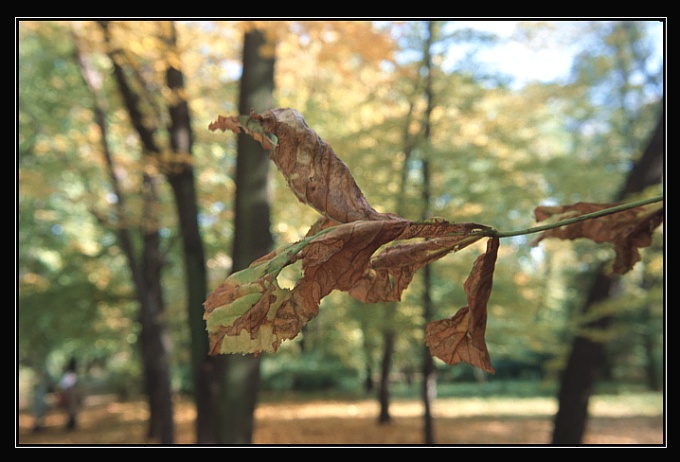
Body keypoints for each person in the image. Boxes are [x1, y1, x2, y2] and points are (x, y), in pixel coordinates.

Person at [58, 357, 80, 431]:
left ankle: (71, 424)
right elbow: (65, 385)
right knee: (71, 409)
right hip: (70, 393)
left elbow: (63, 385)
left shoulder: (69, 374)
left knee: (71, 410)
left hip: (69, 393)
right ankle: (71, 424)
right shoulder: (71, 375)